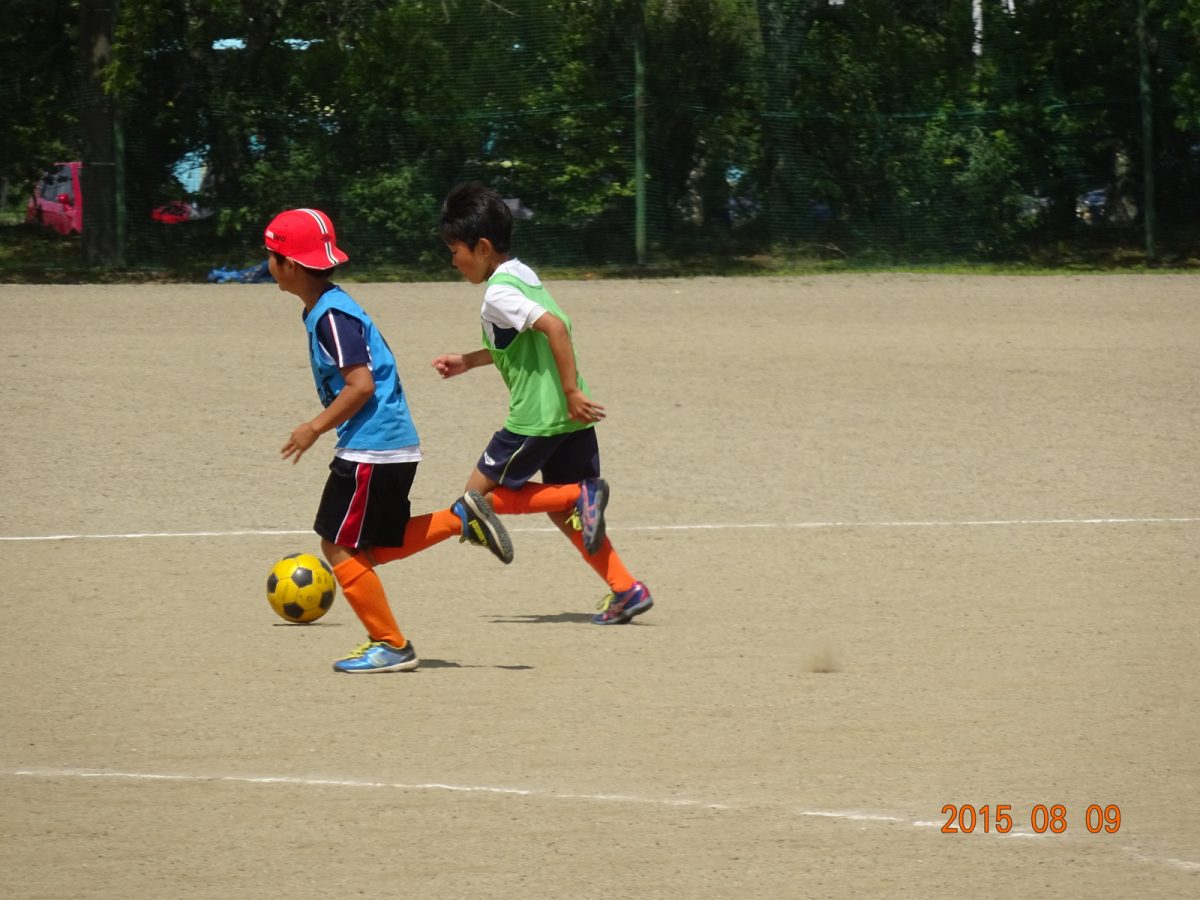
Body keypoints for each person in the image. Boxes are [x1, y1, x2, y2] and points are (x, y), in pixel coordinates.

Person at [264, 207, 513, 673]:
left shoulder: (330, 317)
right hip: (392, 443)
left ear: (290, 265)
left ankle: (390, 644)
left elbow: (360, 386)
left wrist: (314, 427)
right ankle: (459, 518)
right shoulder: (329, 307)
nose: (268, 264)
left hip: (370, 447)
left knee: (336, 547)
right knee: (371, 548)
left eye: (271, 256)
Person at [432, 182, 652, 625]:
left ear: (482, 247)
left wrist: (570, 389)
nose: (452, 261)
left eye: (455, 251)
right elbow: (520, 341)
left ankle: (582, 493)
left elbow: (555, 328)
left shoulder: (497, 292)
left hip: (536, 418)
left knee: (474, 498)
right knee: (566, 515)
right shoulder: (523, 274)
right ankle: (626, 588)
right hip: (570, 419)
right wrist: (469, 361)